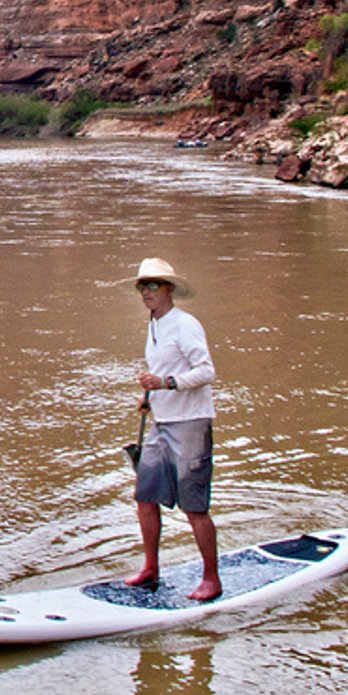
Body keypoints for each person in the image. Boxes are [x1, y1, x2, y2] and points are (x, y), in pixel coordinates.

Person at [126, 257, 221, 602]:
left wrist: (164, 383)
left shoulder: (185, 324)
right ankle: (151, 567)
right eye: (142, 286)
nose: (145, 292)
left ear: (169, 289)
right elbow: (162, 369)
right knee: (144, 496)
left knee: (194, 506)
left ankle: (211, 578)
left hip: (190, 423)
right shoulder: (154, 325)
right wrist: (149, 396)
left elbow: (206, 371)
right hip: (161, 422)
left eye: (152, 285)